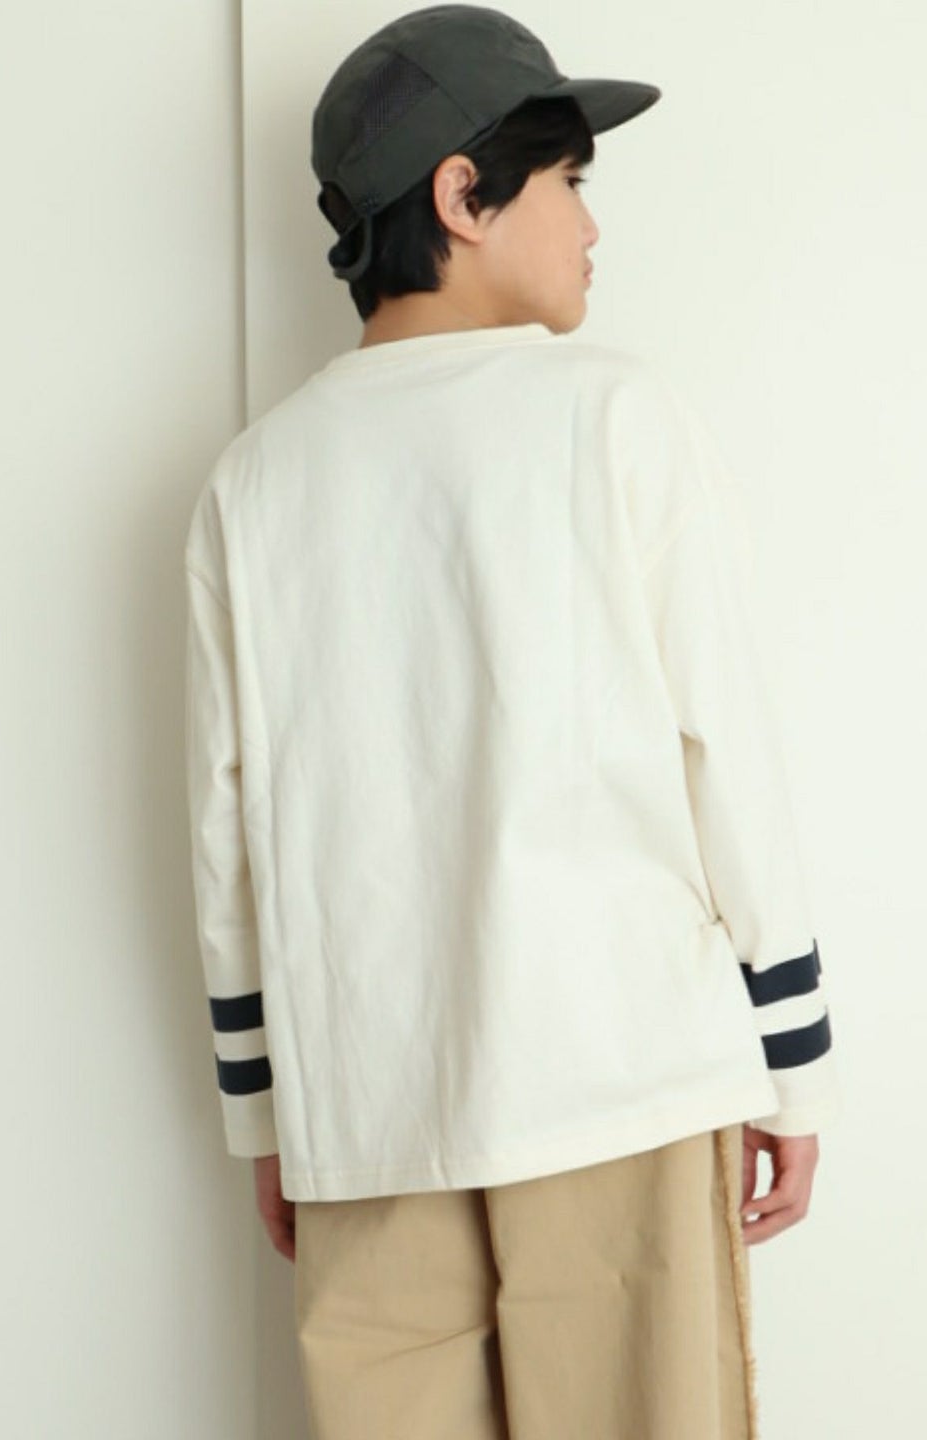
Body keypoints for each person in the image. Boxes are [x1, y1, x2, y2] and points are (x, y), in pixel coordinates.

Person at [182, 6, 841, 1436]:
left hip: (369, 1111)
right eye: (570, 181)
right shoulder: (615, 417)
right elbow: (725, 748)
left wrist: (267, 1116)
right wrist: (791, 1064)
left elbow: (226, 840)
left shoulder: (255, 482)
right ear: (461, 194)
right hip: (622, 1080)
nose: (593, 229)